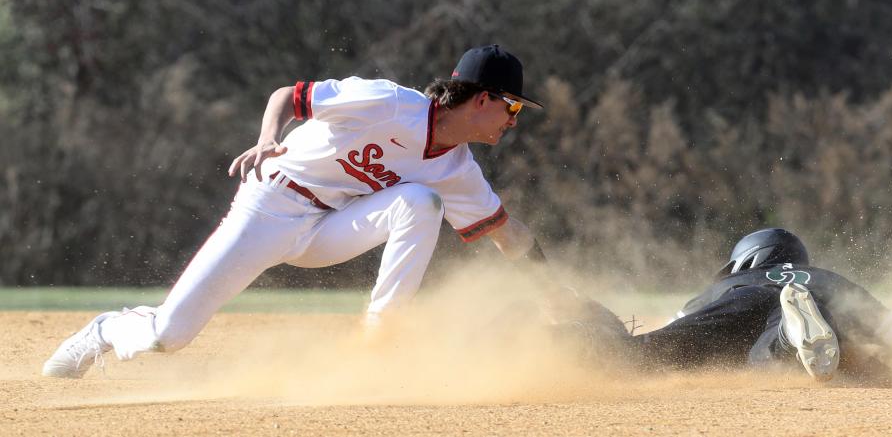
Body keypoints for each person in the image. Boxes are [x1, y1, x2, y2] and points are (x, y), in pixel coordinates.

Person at [43, 44, 547, 379]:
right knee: (165, 337)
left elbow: (505, 232)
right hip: (269, 206)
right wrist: (267, 139)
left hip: (326, 229)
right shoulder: (389, 103)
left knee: (421, 202)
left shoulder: (457, 169)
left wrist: (561, 294)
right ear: (484, 98)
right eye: (514, 107)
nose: (514, 119)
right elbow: (290, 96)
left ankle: (380, 335)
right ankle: (108, 329)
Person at [549, 228, 892, 382]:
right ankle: (789, 335)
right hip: (817, 306)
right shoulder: (824, 277)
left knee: (640, 354)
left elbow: (679, 322)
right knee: (771, 360)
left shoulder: (734, 281)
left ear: (748, 259)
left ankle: (558, 335)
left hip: (738, 303)